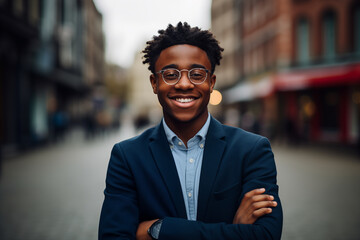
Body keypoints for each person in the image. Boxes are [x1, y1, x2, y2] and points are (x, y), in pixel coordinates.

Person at [99, 22, 282, 240]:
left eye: (196, 74)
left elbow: (266, 235)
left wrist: (159, 229)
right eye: (170, 74)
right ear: (154, 83)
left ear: (211, 82)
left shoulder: (252, 151)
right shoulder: (127, 157)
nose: (184, 84)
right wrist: (234, 230)